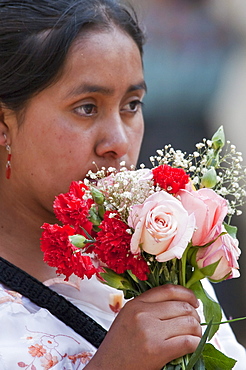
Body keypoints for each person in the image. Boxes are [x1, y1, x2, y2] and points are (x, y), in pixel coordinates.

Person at [0, 1, 244, 369]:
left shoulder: (160, 260)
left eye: (132, 104)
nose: (118, 141)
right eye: (86, 107)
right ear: (3, 125)